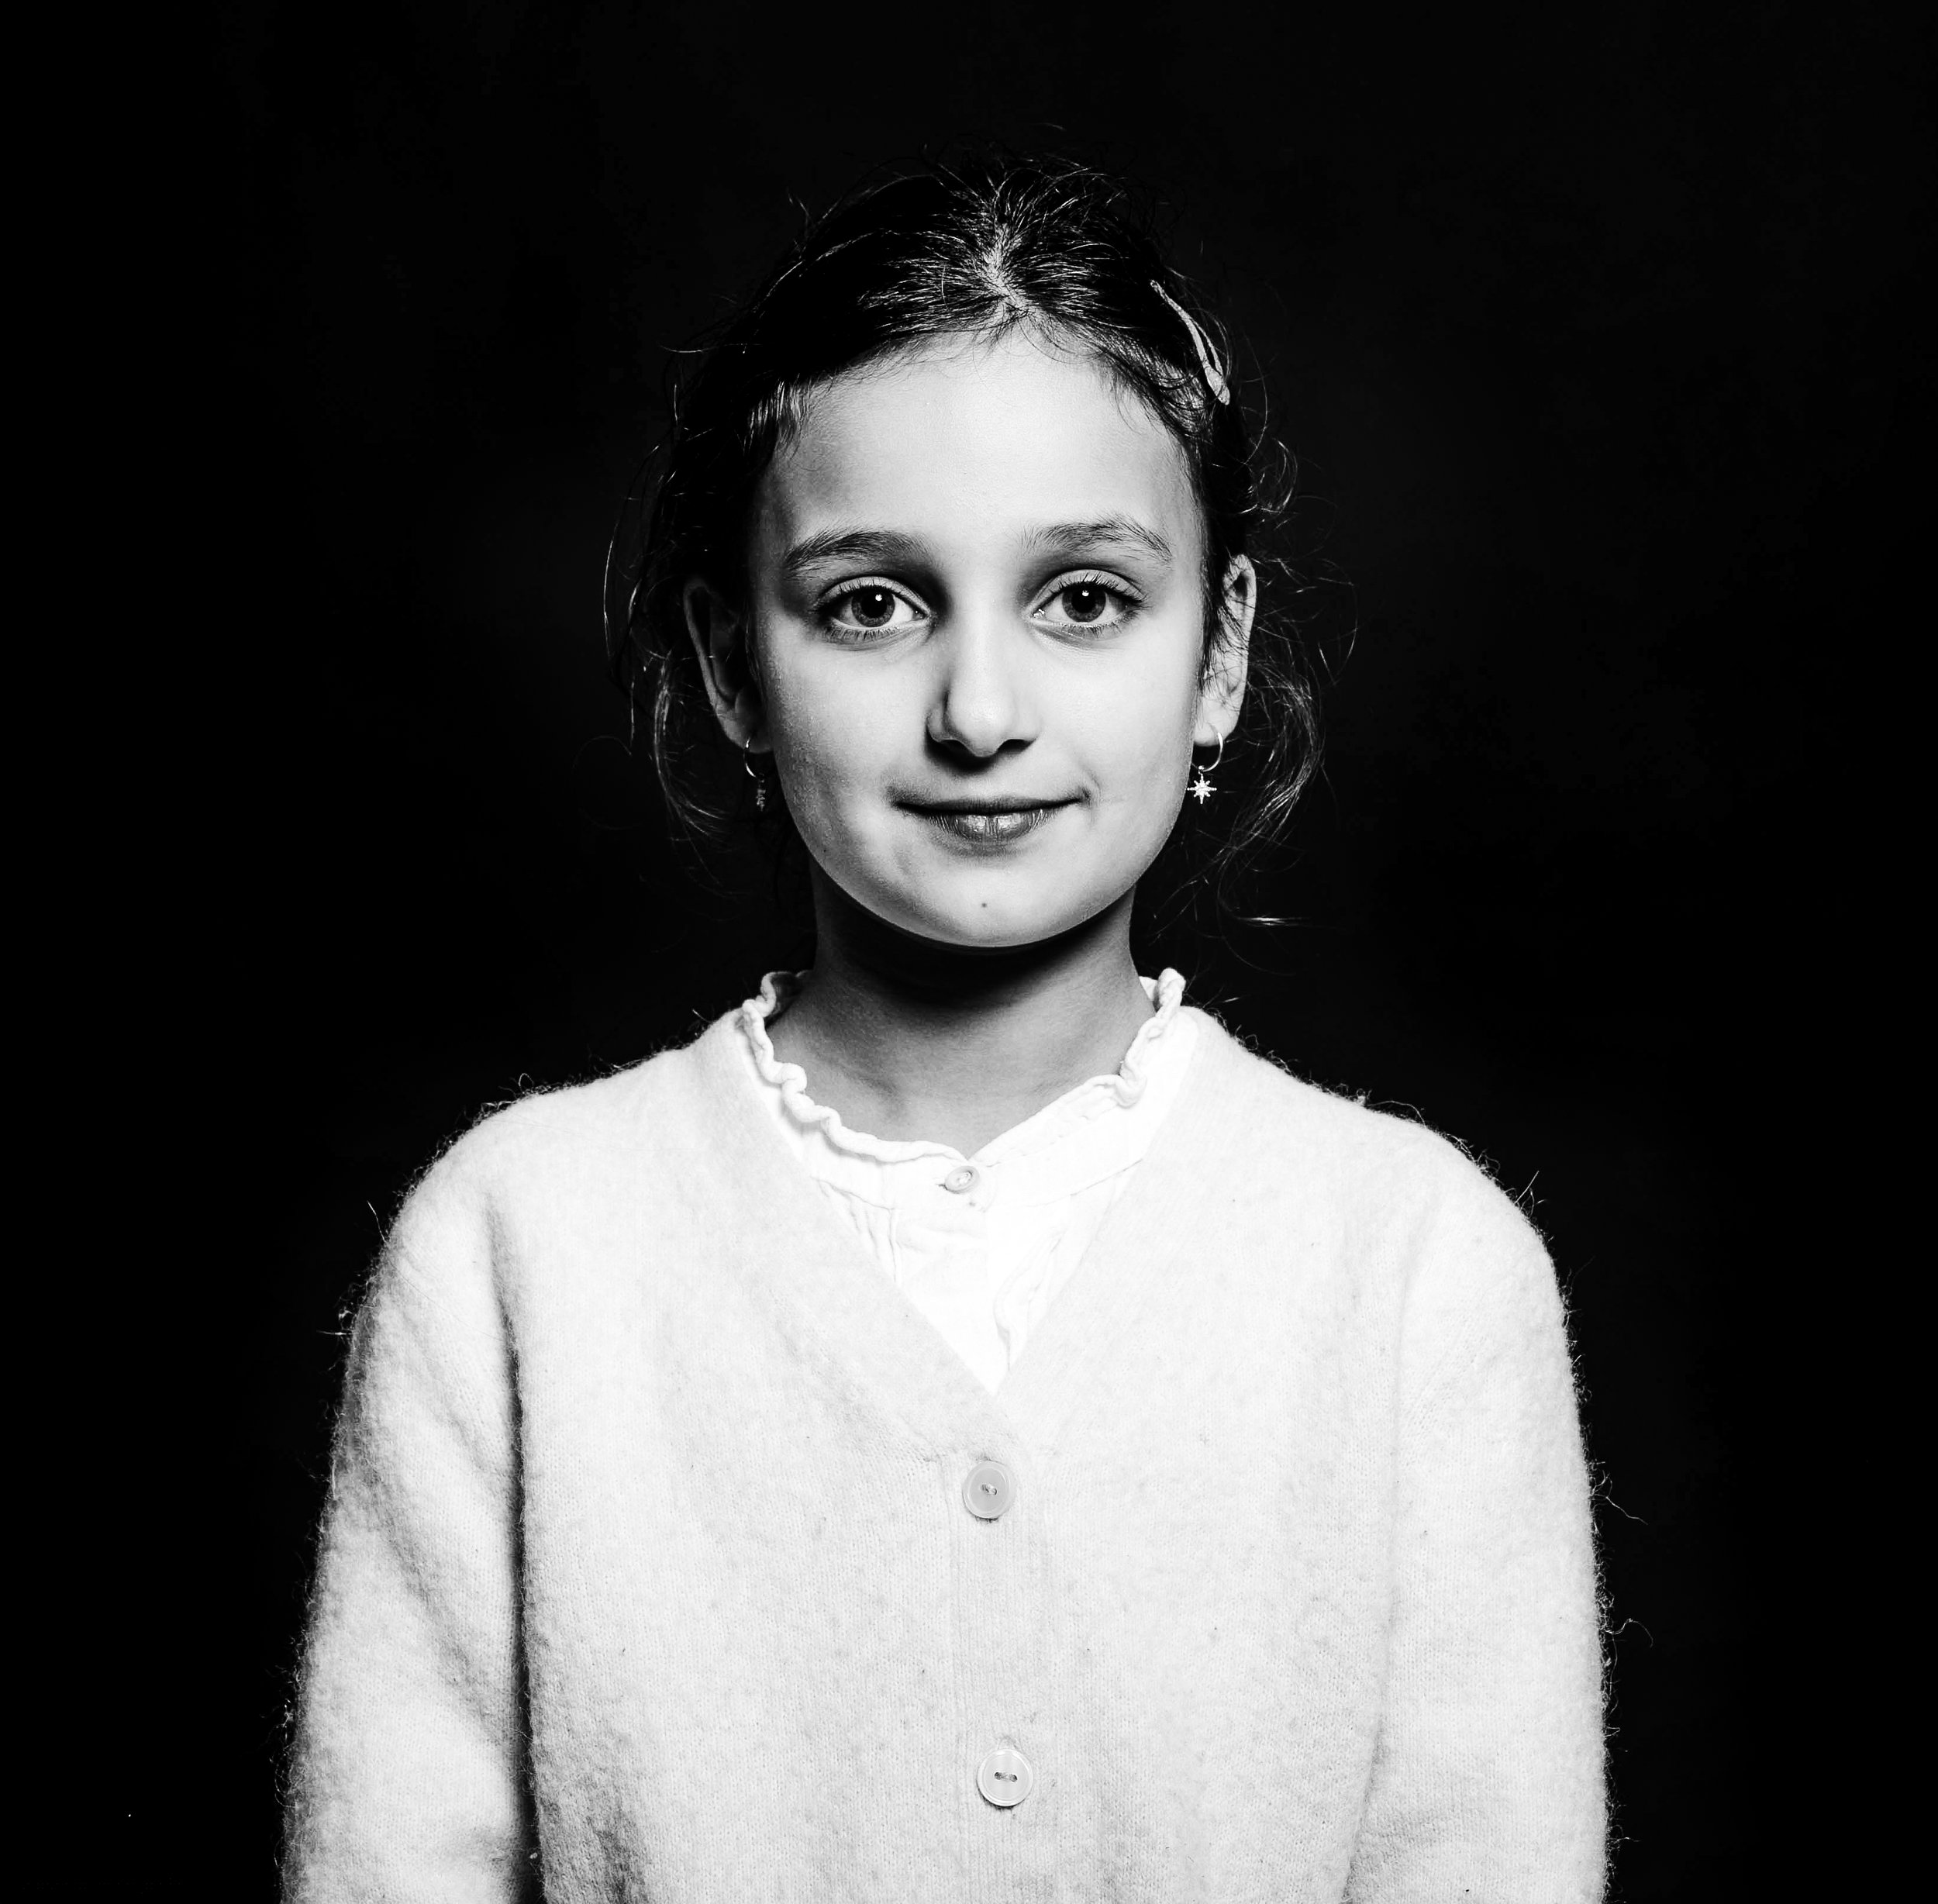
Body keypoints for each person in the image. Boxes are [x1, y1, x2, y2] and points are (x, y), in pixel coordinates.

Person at [282, 157, 1607, 1901]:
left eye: (1084, 598)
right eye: (872, 602)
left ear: (1218, 653)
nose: (979, 711)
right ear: (732, 665)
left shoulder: (1420, 1268)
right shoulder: (517, 1248)